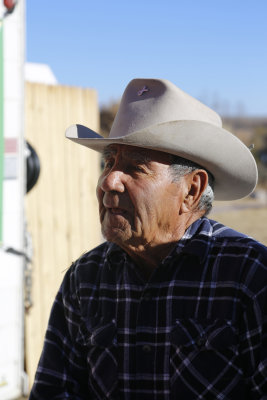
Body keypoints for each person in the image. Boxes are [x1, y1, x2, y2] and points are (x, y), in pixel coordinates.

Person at [29, 78, 267, 399]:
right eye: (109, 162)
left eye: (136, 167)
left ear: (191, 190)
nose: (109, 181)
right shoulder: (85, 279)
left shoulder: (250, 277)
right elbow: (53, 392)